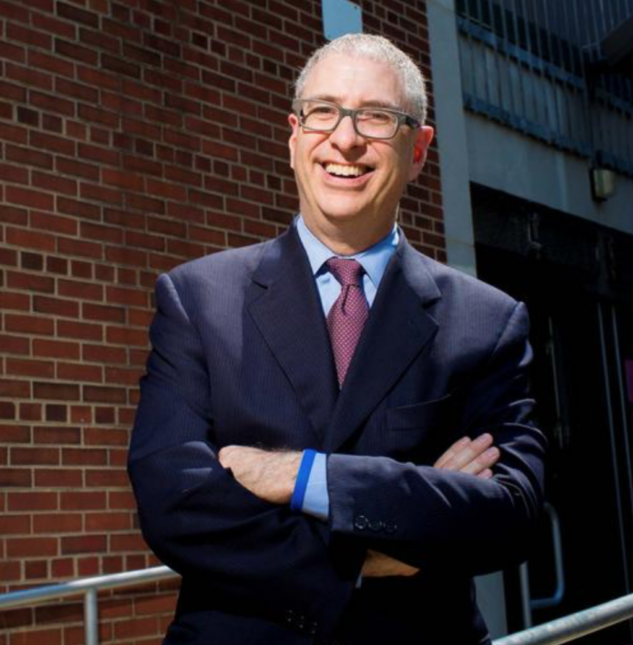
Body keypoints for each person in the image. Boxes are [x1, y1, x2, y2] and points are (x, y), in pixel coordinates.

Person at [129, 33, 546, 645]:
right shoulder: (198, 299)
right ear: (294, 135)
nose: (345, 139)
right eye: (324, 112)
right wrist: (366, 554)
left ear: (420, 149)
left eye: (376, 117)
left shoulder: (485, 321)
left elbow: (512, 512)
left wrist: (303, 478)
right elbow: (174, 501)